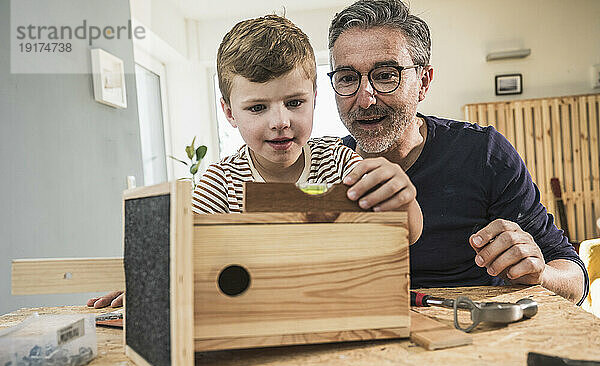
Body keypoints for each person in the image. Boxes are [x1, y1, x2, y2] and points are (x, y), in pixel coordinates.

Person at [88, 13, 423, 309]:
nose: (279, 121)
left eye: (294, 102)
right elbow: (180, 250)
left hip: (331, 308)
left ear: (314, 99)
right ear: (229, 113)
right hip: (250, 317)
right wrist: (150, 282)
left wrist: (402, 195)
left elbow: (406, 232)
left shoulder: (337, 161)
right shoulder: (220, 182)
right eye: (257, 108)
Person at [328, 0, 588, 304]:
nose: (366, 98)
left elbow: (576, 279)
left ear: (423, 82)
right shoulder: (322, 168)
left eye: (386, 75)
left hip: (472, 332)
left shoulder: (483, 154)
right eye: (347, 77)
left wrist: (540, 273)